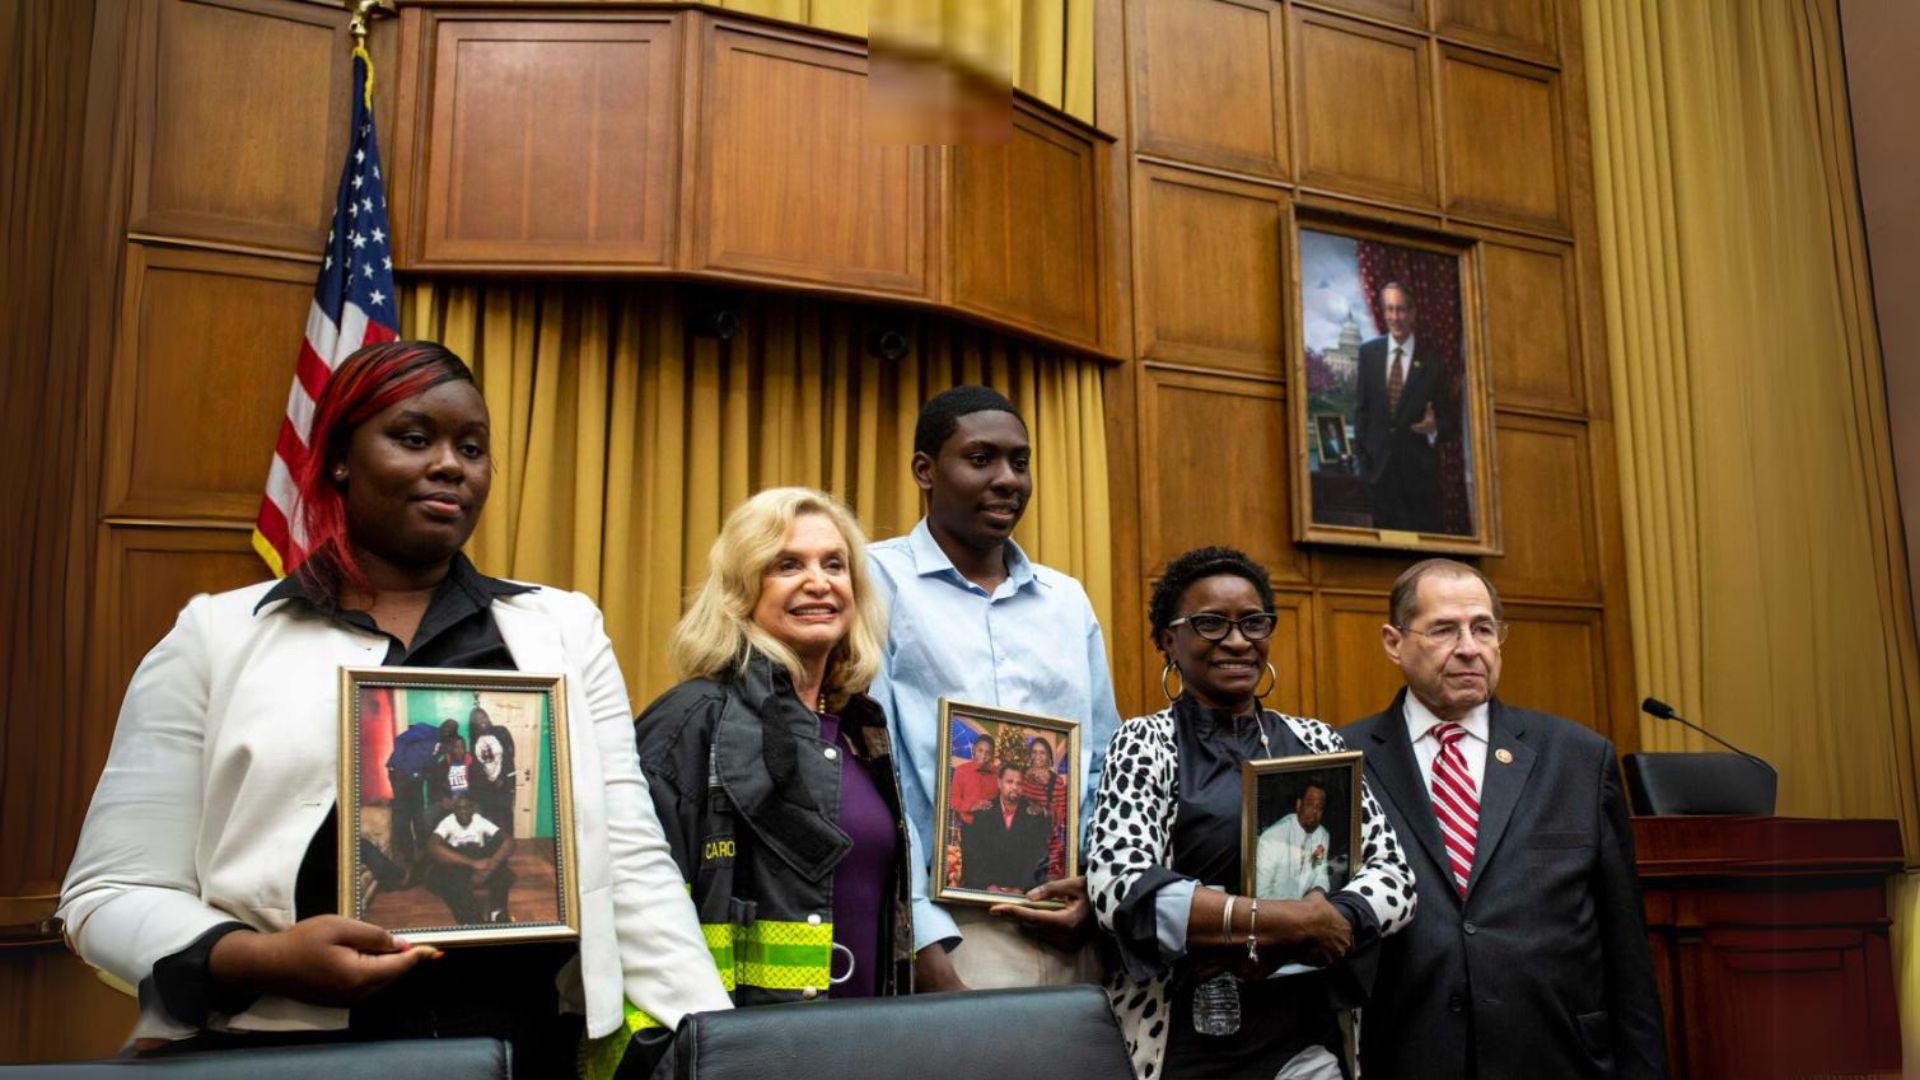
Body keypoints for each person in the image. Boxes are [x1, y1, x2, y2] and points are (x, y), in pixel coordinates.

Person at [56, 341, 728, 1074]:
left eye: (472, 448)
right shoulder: (214, 638)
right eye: (415, 438)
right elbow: (109, 893)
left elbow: (631, 862)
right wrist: (257, 958)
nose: (451, 465)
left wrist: (714, 1048)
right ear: (340, 458)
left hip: (523, 1050)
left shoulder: (562, 631)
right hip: (282, 1055)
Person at [1086, 546, 1416, 1079]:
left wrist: (1335, 918)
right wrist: (1291, 922)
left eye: (1254, 622)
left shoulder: (1315, 742)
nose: (1238, 641)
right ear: (1169, 639)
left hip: (1305, 1041)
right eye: (1211, 624)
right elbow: (1119, 888)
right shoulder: (1143, 742)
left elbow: (1394, 879)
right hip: (1182, 1041)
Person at [1339, 559, 1667, 1078]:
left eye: (1483, 628)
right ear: (1393, 642)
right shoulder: (1343, 760)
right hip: (1403, 1056)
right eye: (1445, 629)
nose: (1469, 647)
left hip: (1556, 1056)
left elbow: (1626, 950)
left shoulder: (1579, 758)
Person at [867, 384, 1121, 992]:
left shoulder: (1068, 600)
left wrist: (1100, 892)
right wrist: (924, 940)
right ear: (925, 471)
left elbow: (1100, 769)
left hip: (1073, 925)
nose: (1008, 479)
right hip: (954, 930)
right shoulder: (875, 580)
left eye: (1020, 462)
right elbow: (876, 773)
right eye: (981, 460)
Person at [635, 487, 914, 1008]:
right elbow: (635, 908)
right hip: (743, 1050)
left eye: (835, 564)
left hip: (867, 1044)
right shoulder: (690, 720)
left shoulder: (862, 729)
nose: (819, 582)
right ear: (742, 592)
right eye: (787, 565)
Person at [1352, 282, 1444, 532]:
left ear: (1413, 313)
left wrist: (1434, 428)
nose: (1395, 317)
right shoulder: (1368, 353)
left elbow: (1448, 419)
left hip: (1417, 478)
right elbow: (1361, 412)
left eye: (1401, 310)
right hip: (1376, 475)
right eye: (1390, 309)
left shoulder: (1433, 361)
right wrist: (1363, 464)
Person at [958, 763, 1053, 894]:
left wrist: (1021, 889)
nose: (1014, 787)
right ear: (999, 783)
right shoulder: (983, 813)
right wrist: (988, 887)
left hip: (1022, 893)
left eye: (1019, 783)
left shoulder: (1034, 815)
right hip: (986, 891)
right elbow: (973, 856)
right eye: (1009, 782)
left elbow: (1039, 858)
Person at [425, 795, 514, 925]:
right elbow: (432, 846)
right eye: (460, 809)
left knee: (502, 866)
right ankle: (474, 920)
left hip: (480, 858)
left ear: (473, 809)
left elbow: (509, 841)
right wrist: (473, 864)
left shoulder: (479, 820)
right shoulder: (448, 822)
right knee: (445, 865)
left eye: (467, 808)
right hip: (459, 862)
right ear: (454, 811)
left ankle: (498, 913)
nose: (464, 812)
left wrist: (490, 866)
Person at [1254, 783, 1332, 900]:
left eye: (1319, 808)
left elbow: (1319, 871)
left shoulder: (1322, 835)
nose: (1314, 813)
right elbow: (1261, 894)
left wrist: (1318, 892)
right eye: (1310, 805)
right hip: (1275, 914)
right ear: (1298, 804)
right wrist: (1297, 909)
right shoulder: (1272, 838)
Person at [1021, 736, 1069, 880]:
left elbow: (1062, 814)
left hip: (1047, 844)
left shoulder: (1057, 782)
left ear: (1049, 757)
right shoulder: (1022, 776)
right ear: (1030, 755)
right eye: (1034, 752)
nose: (1038, 757)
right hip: (1022, 840)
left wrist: (1043, 811)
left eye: (1042, 753)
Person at [467, 706, 517, 831]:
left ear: (488, 718)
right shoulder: (474, 740)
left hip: (505, 781)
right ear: (473, 724)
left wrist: (502, 778)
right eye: (476, 719)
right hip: (486, 785)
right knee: (490, 814)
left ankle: (508, 842)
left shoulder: (501, 731)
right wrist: (487, 781)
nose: (481, 720)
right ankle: (494, 844)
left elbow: (510, 755)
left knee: (506, 814)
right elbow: (478, 763)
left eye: (483, 716)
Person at [949, 734, 1000, 826]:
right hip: (969, 825)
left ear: (992, 755)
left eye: (988, 753)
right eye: (980, 751)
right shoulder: (961, 771)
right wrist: (973, 806)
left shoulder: (998, 774)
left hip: (992, 825)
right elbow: (954, 800)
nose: (983, 756)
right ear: (973, 750)